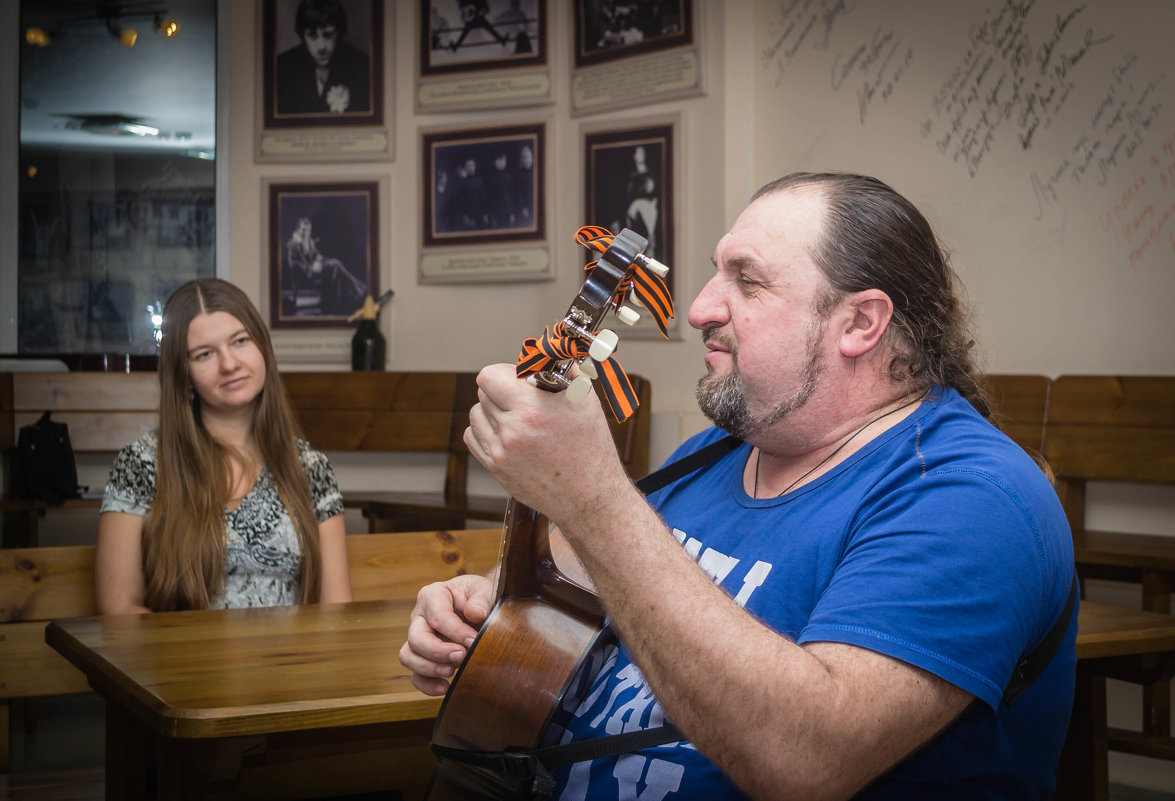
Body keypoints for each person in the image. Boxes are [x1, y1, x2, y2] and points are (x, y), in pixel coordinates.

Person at [399, 172, 1076, 799]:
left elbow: (807, 762)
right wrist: (485, 610)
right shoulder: (717, 455)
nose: (697, 308)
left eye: (745, 281)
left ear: (860, 323)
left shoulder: (972, 496)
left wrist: (592, 495)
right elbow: (569, 588)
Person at [96, 278, 353, 613]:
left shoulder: (310, 467)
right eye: (205, 354)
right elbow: (119, 611)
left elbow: (336, 607)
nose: (229, 363)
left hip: (292, 661)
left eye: (240, 341)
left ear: (262, 346)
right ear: (183, 374)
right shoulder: (142, 464)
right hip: (180, 662)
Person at [275, 0, 371, 116]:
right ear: (302, 36)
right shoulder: (282, 67)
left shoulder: (362, 66)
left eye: (328, 35)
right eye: (312, 36)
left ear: (339, 32)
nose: (321, 47)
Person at [285, 216, 367, 316]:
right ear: (297, 229)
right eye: (303, 230)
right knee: (335, 265)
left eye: (307, 230)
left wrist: (319, 261)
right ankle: (357, 291)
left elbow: (317, 255)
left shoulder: (309, 242)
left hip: (316, 269)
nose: (305, 233)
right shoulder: (293, 244)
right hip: (306, 273)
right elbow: (293, 263)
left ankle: (345, 298)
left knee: (335, 268)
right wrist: (309, 269)